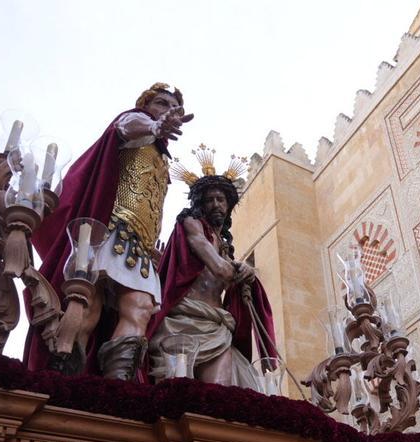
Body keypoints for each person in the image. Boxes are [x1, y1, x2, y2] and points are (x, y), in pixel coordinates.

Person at [26, 83, 192, 379]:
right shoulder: (136, 122)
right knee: (88, 305)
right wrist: (154, 125)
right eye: (160, 103)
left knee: (141, 308)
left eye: (173, 107)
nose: (167, 110)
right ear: (146, 105)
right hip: (110, 229)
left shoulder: (162, 158)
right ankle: (65, 379)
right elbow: (126, 127)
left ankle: (118, 387)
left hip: (141, 245)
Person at [147, 159, 275, 386]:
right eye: (210, 200)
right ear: (201, 204)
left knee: (219, 394)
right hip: (183, 321)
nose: (216, 204)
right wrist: (242, 270)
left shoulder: (225, 247)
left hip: (217, 327)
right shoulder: (191, 224)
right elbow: (220, 268)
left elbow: (231, 275)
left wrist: (247, 272)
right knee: (175, 392)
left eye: (221, 199)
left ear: (228, 205)